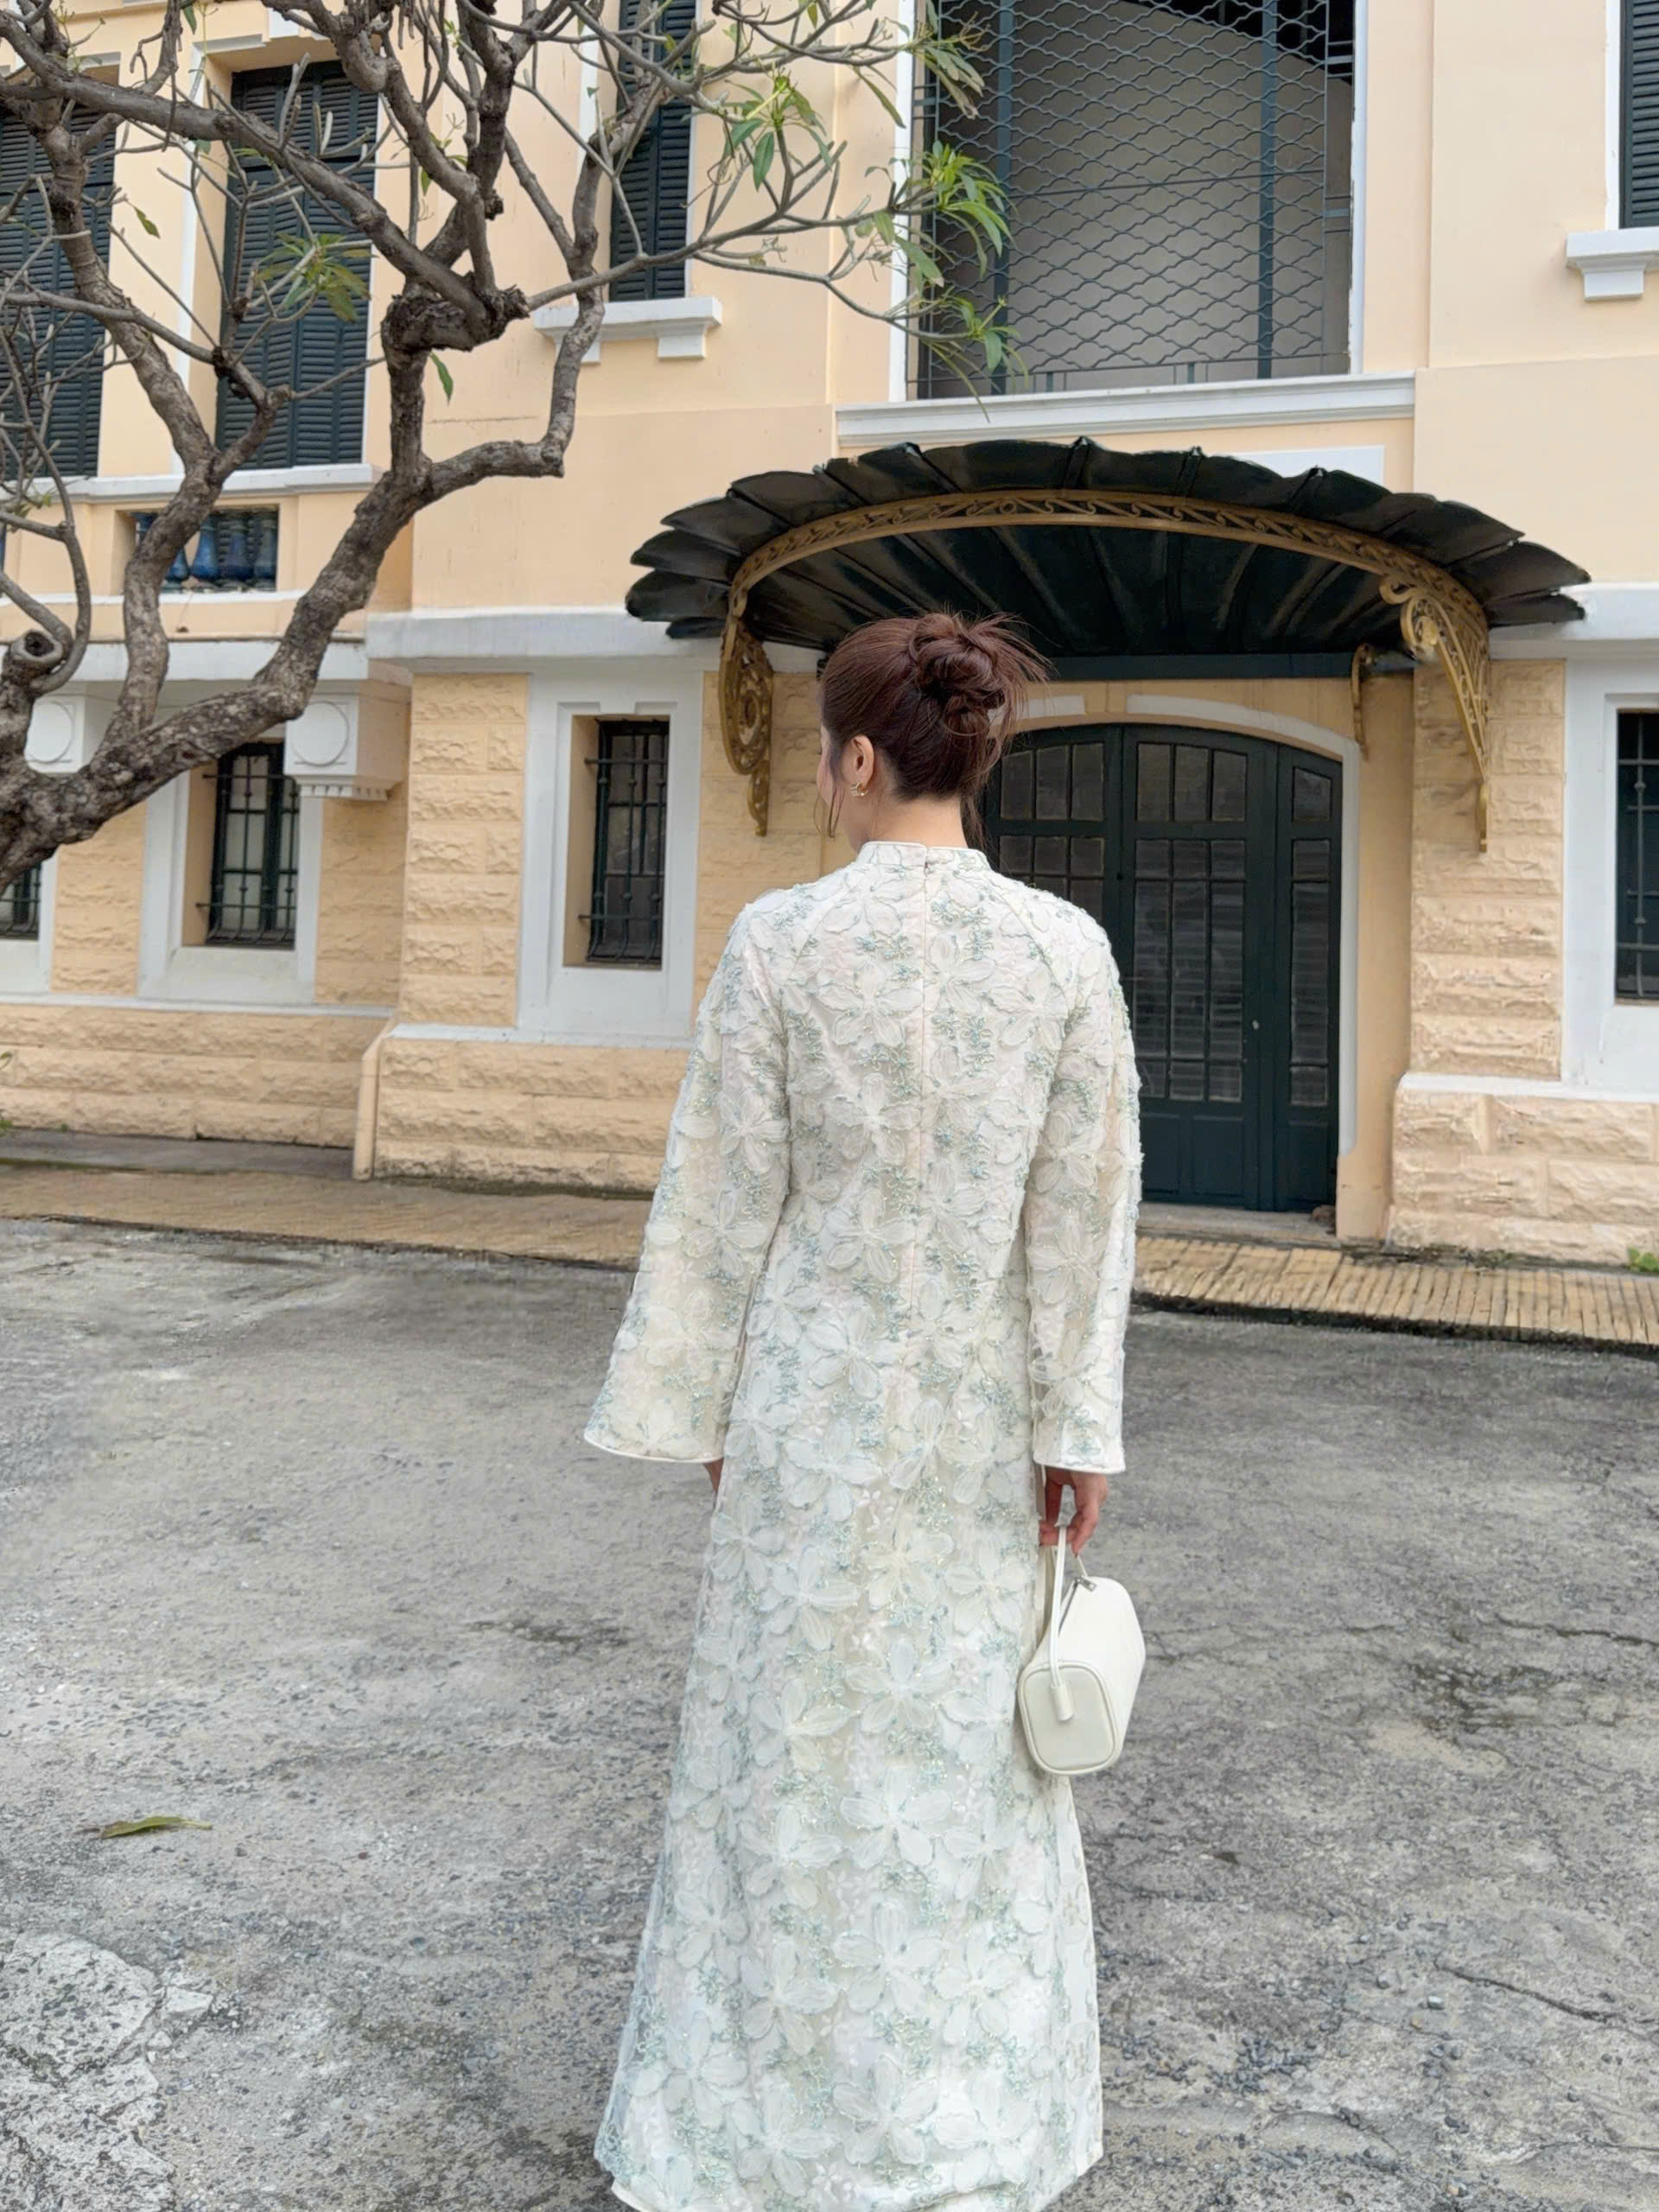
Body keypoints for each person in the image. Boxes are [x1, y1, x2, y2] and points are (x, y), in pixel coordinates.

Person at [583, 610, 1141, 2212]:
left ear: (852, 759)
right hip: (982, 1427)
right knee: (970, 1775)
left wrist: (699, 1397)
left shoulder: (781, 943)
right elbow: (1083, 1214)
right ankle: (966, 2128)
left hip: (809, 1419)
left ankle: (760, 2133)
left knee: (786, 1760)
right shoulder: (1063, 951)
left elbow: (721, 1196)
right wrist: (1078, 1428)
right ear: (969, 757)